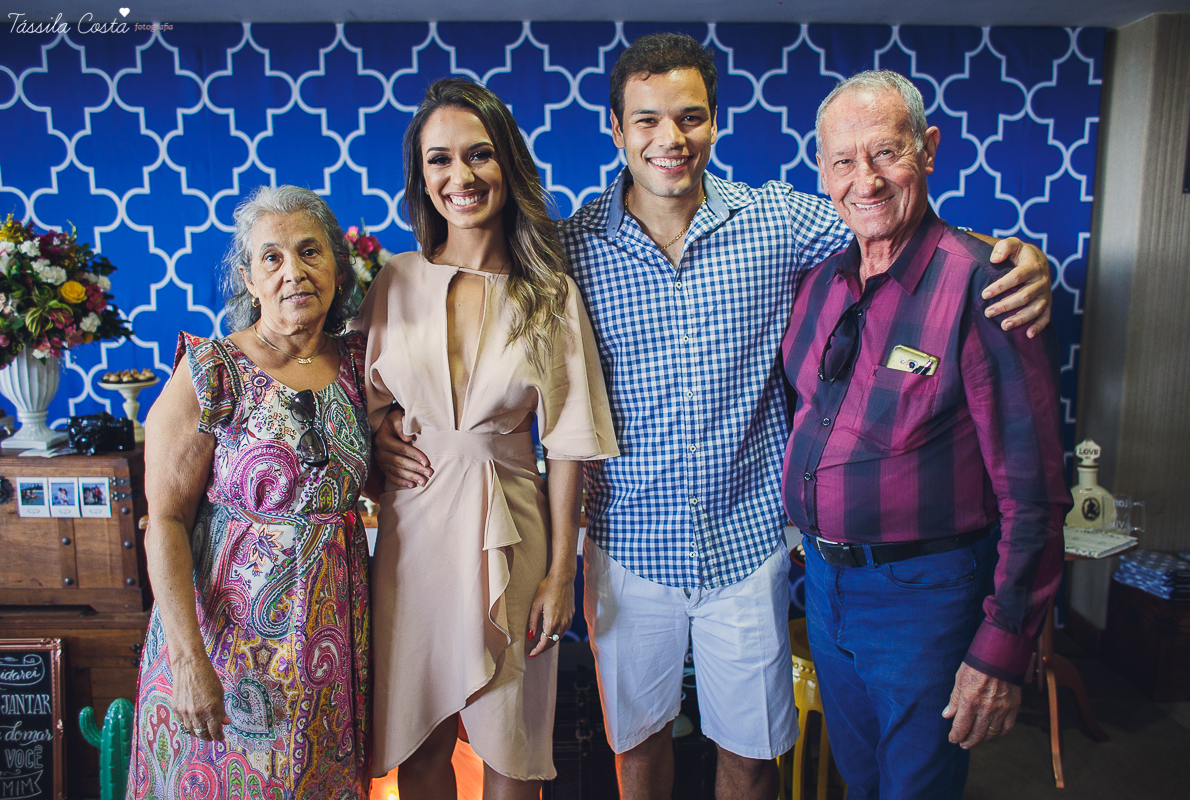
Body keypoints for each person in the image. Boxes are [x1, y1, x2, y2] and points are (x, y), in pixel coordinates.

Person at [375, 34, 1053, 800]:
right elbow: (471, 317)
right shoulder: (568, 249)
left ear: (715, 123)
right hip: (630, 544)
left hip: (748, 543)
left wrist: (1015, 257)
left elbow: (898, 228)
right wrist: (389, 418)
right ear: (616, 129)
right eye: (648, 120)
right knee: (637, 752)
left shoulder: (778, 221)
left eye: (691, 117)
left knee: (751, 757)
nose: (671, 139)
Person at [781, 71, 1071, 799]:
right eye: (844, 161)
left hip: (924, 598)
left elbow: (1034, 494)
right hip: (824, 584)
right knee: (861, 781)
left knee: (916, 788)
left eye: (886, 153)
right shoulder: (820, 283)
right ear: (822, 170)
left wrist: (1003, 650)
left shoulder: (986, 287)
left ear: (929, 150)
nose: (866, 179)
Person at [351, 78, 617, 800]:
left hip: (513, 530)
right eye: (439, 160)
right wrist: (378, 437)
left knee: (511, 741)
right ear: (421, 176)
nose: (459, 177)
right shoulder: (392, 282)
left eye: (478, 155)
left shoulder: (550, 291)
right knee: (420, 740)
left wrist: (563, 571)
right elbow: (353, 399)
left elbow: (569, 445)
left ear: (508, 166)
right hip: (413, 537)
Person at [129, 186, 372, 799]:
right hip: (224, 653)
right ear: (248, 276)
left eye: (310, 251)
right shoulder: (211, 370)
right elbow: (164, 522)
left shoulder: (359, 365)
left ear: (337, 267)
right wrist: (189, 660)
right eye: (272, 257)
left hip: (332, 655)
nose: (294, 272)